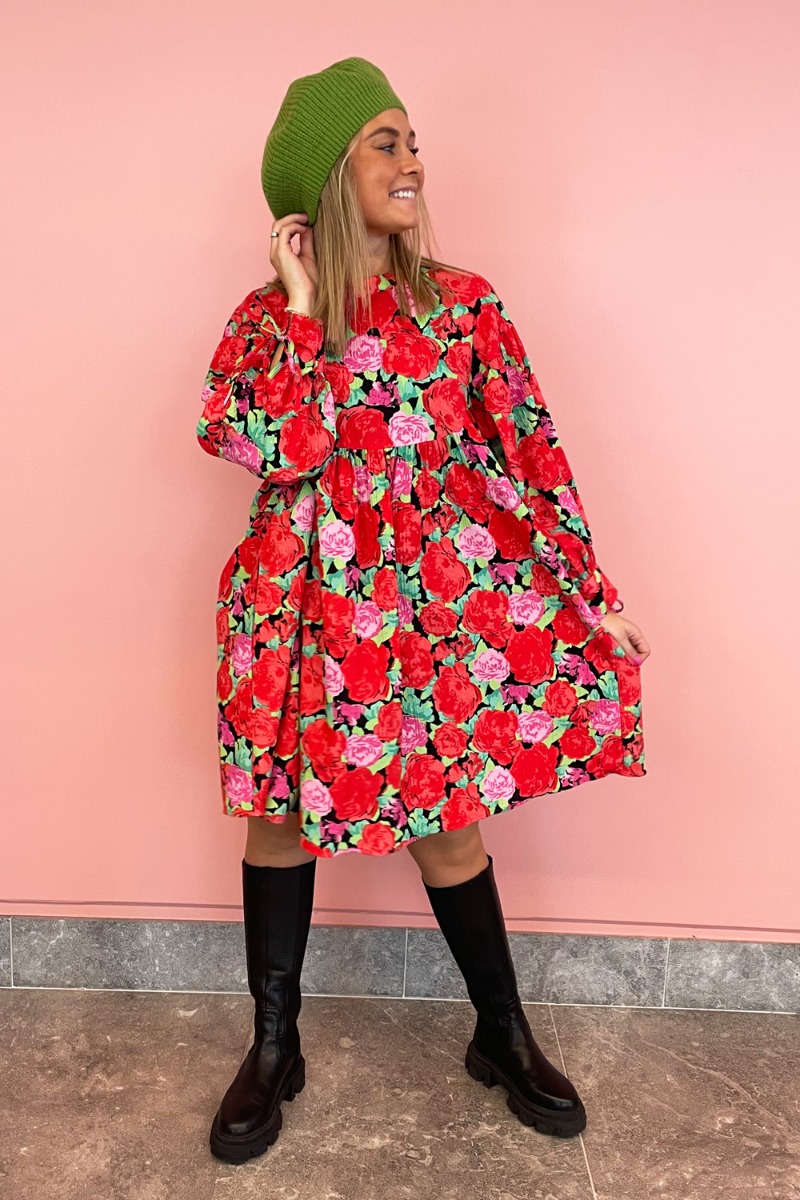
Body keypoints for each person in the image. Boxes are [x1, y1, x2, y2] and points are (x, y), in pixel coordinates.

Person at [196, 56, 650, 1165]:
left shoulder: (465, 307)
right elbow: (279, 448)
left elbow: (532, 460)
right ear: (325, 176)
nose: (413, 163)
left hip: (421, 619)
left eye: (413, 142)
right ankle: (273, 1047)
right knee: (279, 822)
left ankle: (502, 1034)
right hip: (294, 615)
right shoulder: (264, 323)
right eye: (384, 143)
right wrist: (304, 307)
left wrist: (591, 597)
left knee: (448, 825)